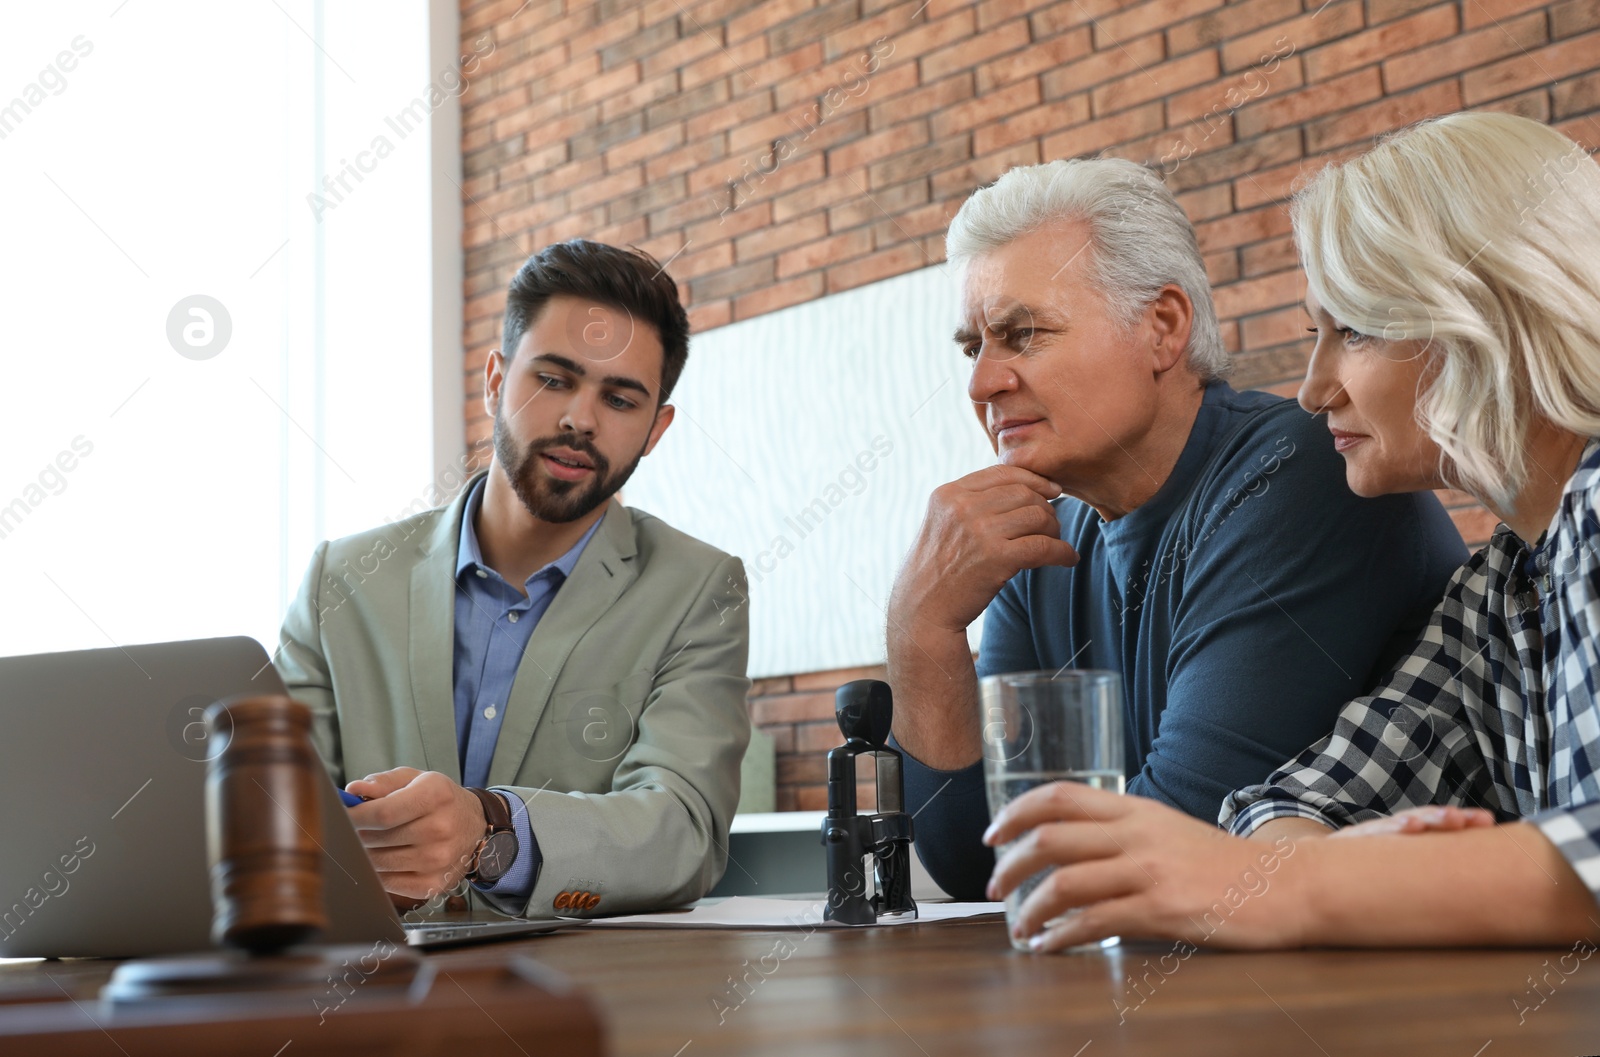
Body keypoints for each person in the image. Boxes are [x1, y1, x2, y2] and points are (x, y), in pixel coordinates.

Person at [985, 111, 1600, 951]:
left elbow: (1234, 861)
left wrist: (1318, 884)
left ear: (1491, 319)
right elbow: (1278, 804)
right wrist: (1352, 874)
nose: (1313, 390)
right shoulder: (1498, 591)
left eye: (1354, 330)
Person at [887, 157, 1465, 899]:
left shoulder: (1304, 466)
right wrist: (919, 625)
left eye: (1022, 334)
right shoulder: (1030, 537)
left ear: (1162, 328)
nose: (981, 383)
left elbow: (1188, 833)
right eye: (974, 347)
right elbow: (982, 863)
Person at [275, 239, 751, 919]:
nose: (579, 419)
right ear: (497, 379)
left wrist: (490, 829)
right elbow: (270, 813)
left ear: (655, 429)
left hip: (578, 1004)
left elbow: (683, 830)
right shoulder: (342, 580)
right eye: (553, 379)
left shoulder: (701, 589)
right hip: (363, 997)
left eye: (619, 399)